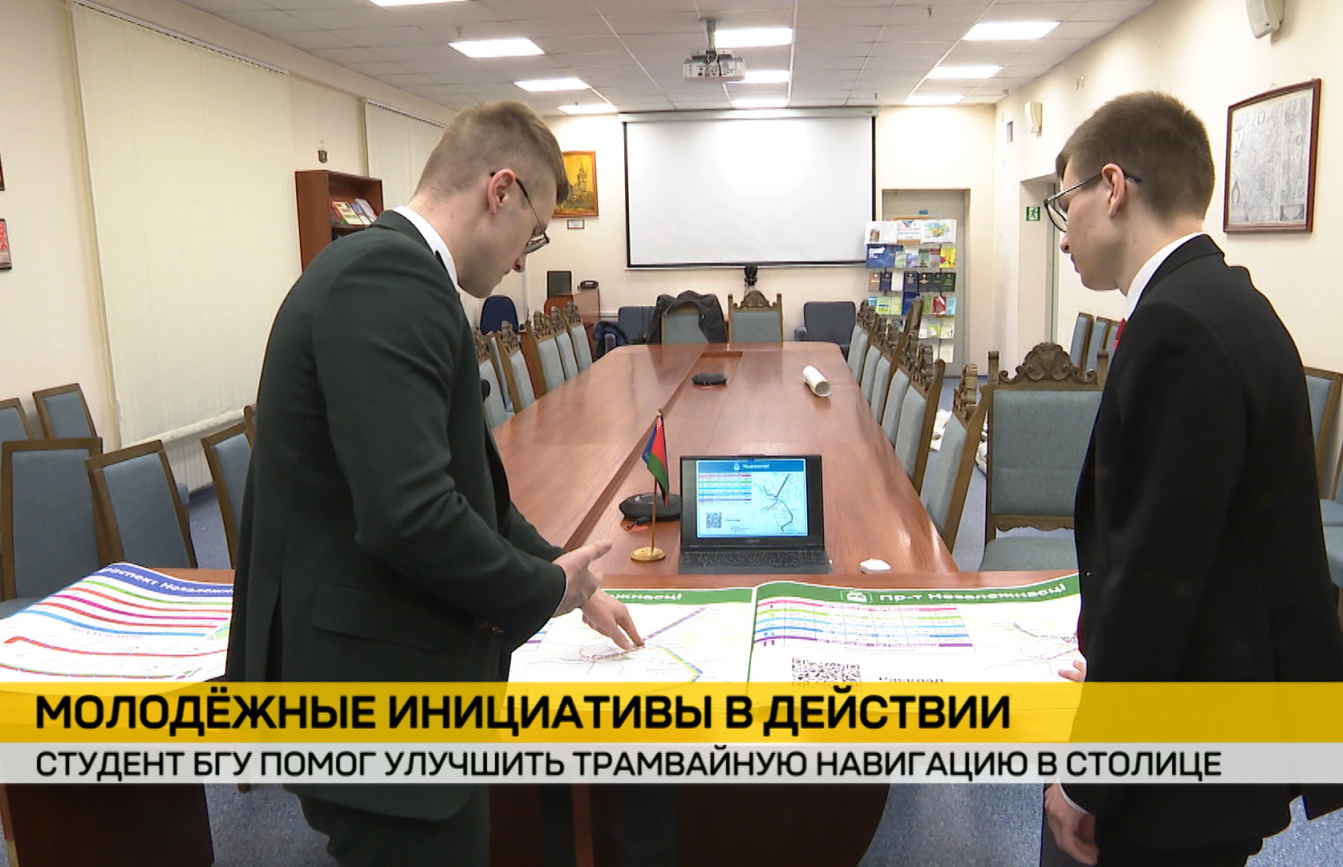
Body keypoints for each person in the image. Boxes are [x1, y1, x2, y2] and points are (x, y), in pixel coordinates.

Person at [225, 100, 642, 866]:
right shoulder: (388, 279)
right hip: (370, 700)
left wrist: (567, 575)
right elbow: (411, 514)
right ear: (500, 190)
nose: (523, 260)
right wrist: (540, 589)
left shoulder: (391, 273)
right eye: (534, 232)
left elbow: (462, 485)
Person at [1041, 91, 1343, 866]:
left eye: (1064, 203)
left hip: (1180, 761)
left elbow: (1157, 577)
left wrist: (1089, 776)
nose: (1062, 233)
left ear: (1112, 188)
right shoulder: (1229, 301)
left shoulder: (1176, 326)